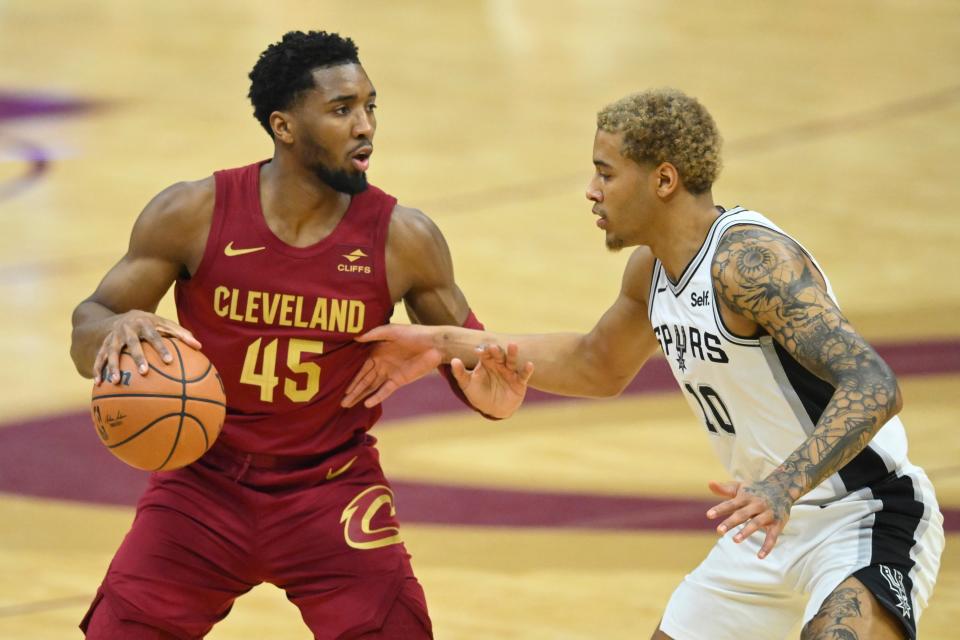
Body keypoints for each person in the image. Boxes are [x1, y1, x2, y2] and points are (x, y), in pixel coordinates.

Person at [342, 88, 945, 639]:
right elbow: (595, 363)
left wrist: (783, 484)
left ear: (662, 180)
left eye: (606, 173)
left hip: (862, 517)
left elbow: (874, 383)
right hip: (760, 528)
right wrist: (444, 343)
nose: (591, 190)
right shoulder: (653, 270)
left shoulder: (751, 263)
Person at [69, 30, 531, 640]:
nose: (365, 125)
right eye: (342, 110)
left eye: (370, 106)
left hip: (331, 492)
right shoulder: (193, 212)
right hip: (200, 489)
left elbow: (473, 361)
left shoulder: (403, 238)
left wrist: (489, 390)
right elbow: (87, 328)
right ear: (283, 127)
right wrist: (116, 326)